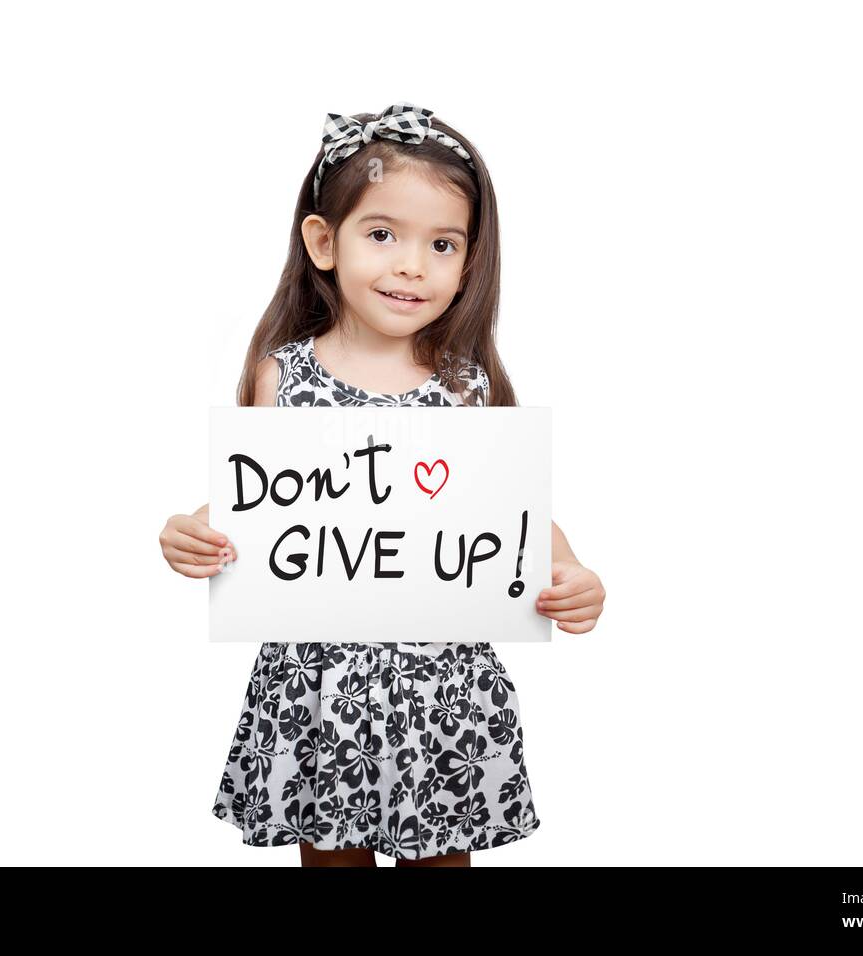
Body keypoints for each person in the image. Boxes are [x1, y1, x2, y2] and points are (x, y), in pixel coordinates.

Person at [160, 103, 606, 867]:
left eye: (442, 244)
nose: (411, 265)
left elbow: (510, 513)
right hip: (319, 687)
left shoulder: (467, 387)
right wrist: (192, 531)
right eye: (382, 235)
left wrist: (570, 571)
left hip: (443, 690)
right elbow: (262, 498)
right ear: (323, 242)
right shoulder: (284, 376)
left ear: (470, 260)